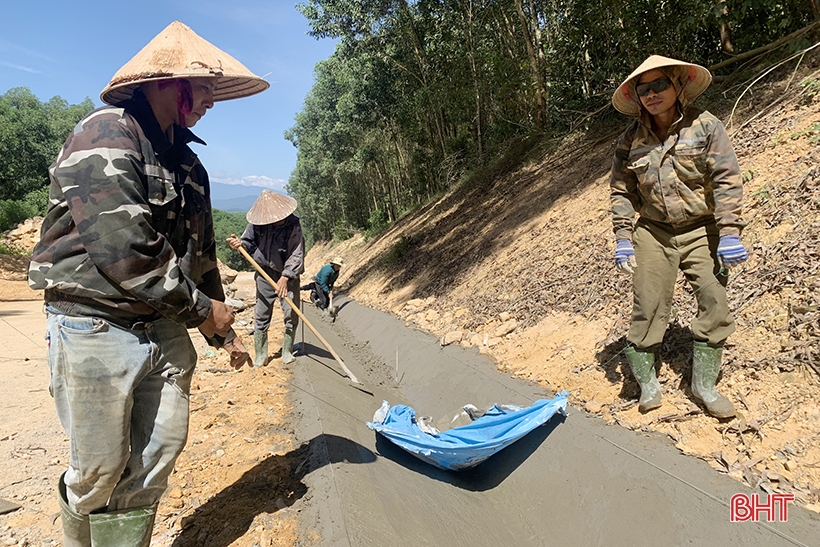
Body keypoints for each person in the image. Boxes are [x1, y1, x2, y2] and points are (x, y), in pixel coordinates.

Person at [27, 21, 267, 546]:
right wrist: (203, 311)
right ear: (163, 82)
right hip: (94, 323)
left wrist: (222, 329)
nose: (210, 99)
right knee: (98, 469)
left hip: (164, 326)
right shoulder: (106, 134)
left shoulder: (189, 164)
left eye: (212, 88)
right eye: (201, 86)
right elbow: (126, 252)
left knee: (156, 457)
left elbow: (200, 257)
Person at [609, 55, 749, 419]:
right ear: (637, 96)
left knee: (714, 299)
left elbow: (727, 177)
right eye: (644, 89)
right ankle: (648, 384)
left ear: (676, 85)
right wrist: (623, 237)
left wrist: (730, 230)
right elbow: (621, 191)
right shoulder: (630, 140)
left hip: (704, 229)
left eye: (660, 85)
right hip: (654, 232)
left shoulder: (706, 126)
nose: (652, 94)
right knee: (648, 305)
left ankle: (704, 385)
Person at [227, 190, 305, 367]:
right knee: (261, 313)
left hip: (288, 275)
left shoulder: (294, 225)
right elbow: (247, 242)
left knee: (291, 312)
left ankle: (286, 351)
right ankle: (261, 355)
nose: (275, 220)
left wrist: (285, 277)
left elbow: (296, 253)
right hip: (264, 272)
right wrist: (240, 245)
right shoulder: (257, 223)